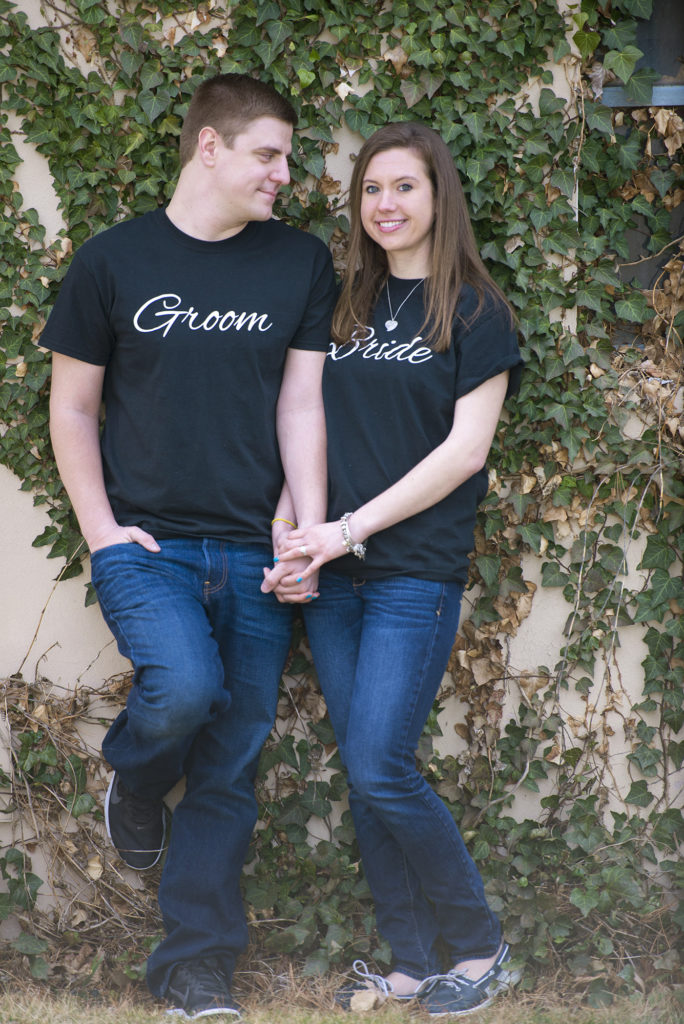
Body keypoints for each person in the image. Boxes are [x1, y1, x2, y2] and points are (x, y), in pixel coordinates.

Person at [42, 73, 336, 1019]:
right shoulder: (112, 261)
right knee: (183, 688)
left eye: (286, 157)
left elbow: (301, 403)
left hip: (255, 548)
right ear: (209, 147)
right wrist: (99, 530)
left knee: (231, 765)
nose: (285, 173)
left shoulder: (297, 263)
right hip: (149, 545)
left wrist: (304, 527)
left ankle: (195, 969)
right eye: (268, 154)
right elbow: (74, 406)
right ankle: (133, 774)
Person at [264, 121, 523, 1017]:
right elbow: (310, 422)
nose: (386, 205)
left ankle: (480, 947)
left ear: (438, 196)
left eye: (404, 187)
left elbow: (464, 453)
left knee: (381, 766)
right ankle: (413, 961)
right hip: (334, 573)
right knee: (364, 766)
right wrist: (296, 531)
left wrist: (348, 531)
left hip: (413, 569)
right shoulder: (344, 307)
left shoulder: (479, 313)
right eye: (371, 190)